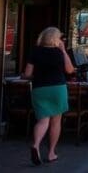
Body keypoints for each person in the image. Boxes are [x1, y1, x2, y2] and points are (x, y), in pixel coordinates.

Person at [22, 27, 74, 166]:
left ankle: (36, 144)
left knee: (43, 121)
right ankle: (51, 153)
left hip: (40, 88)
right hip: (58, 88)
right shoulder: (59, 52)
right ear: (55, 39)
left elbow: (27, 73)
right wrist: (63, 51)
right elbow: (70, 70)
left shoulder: (35, 51)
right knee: (56, 121)